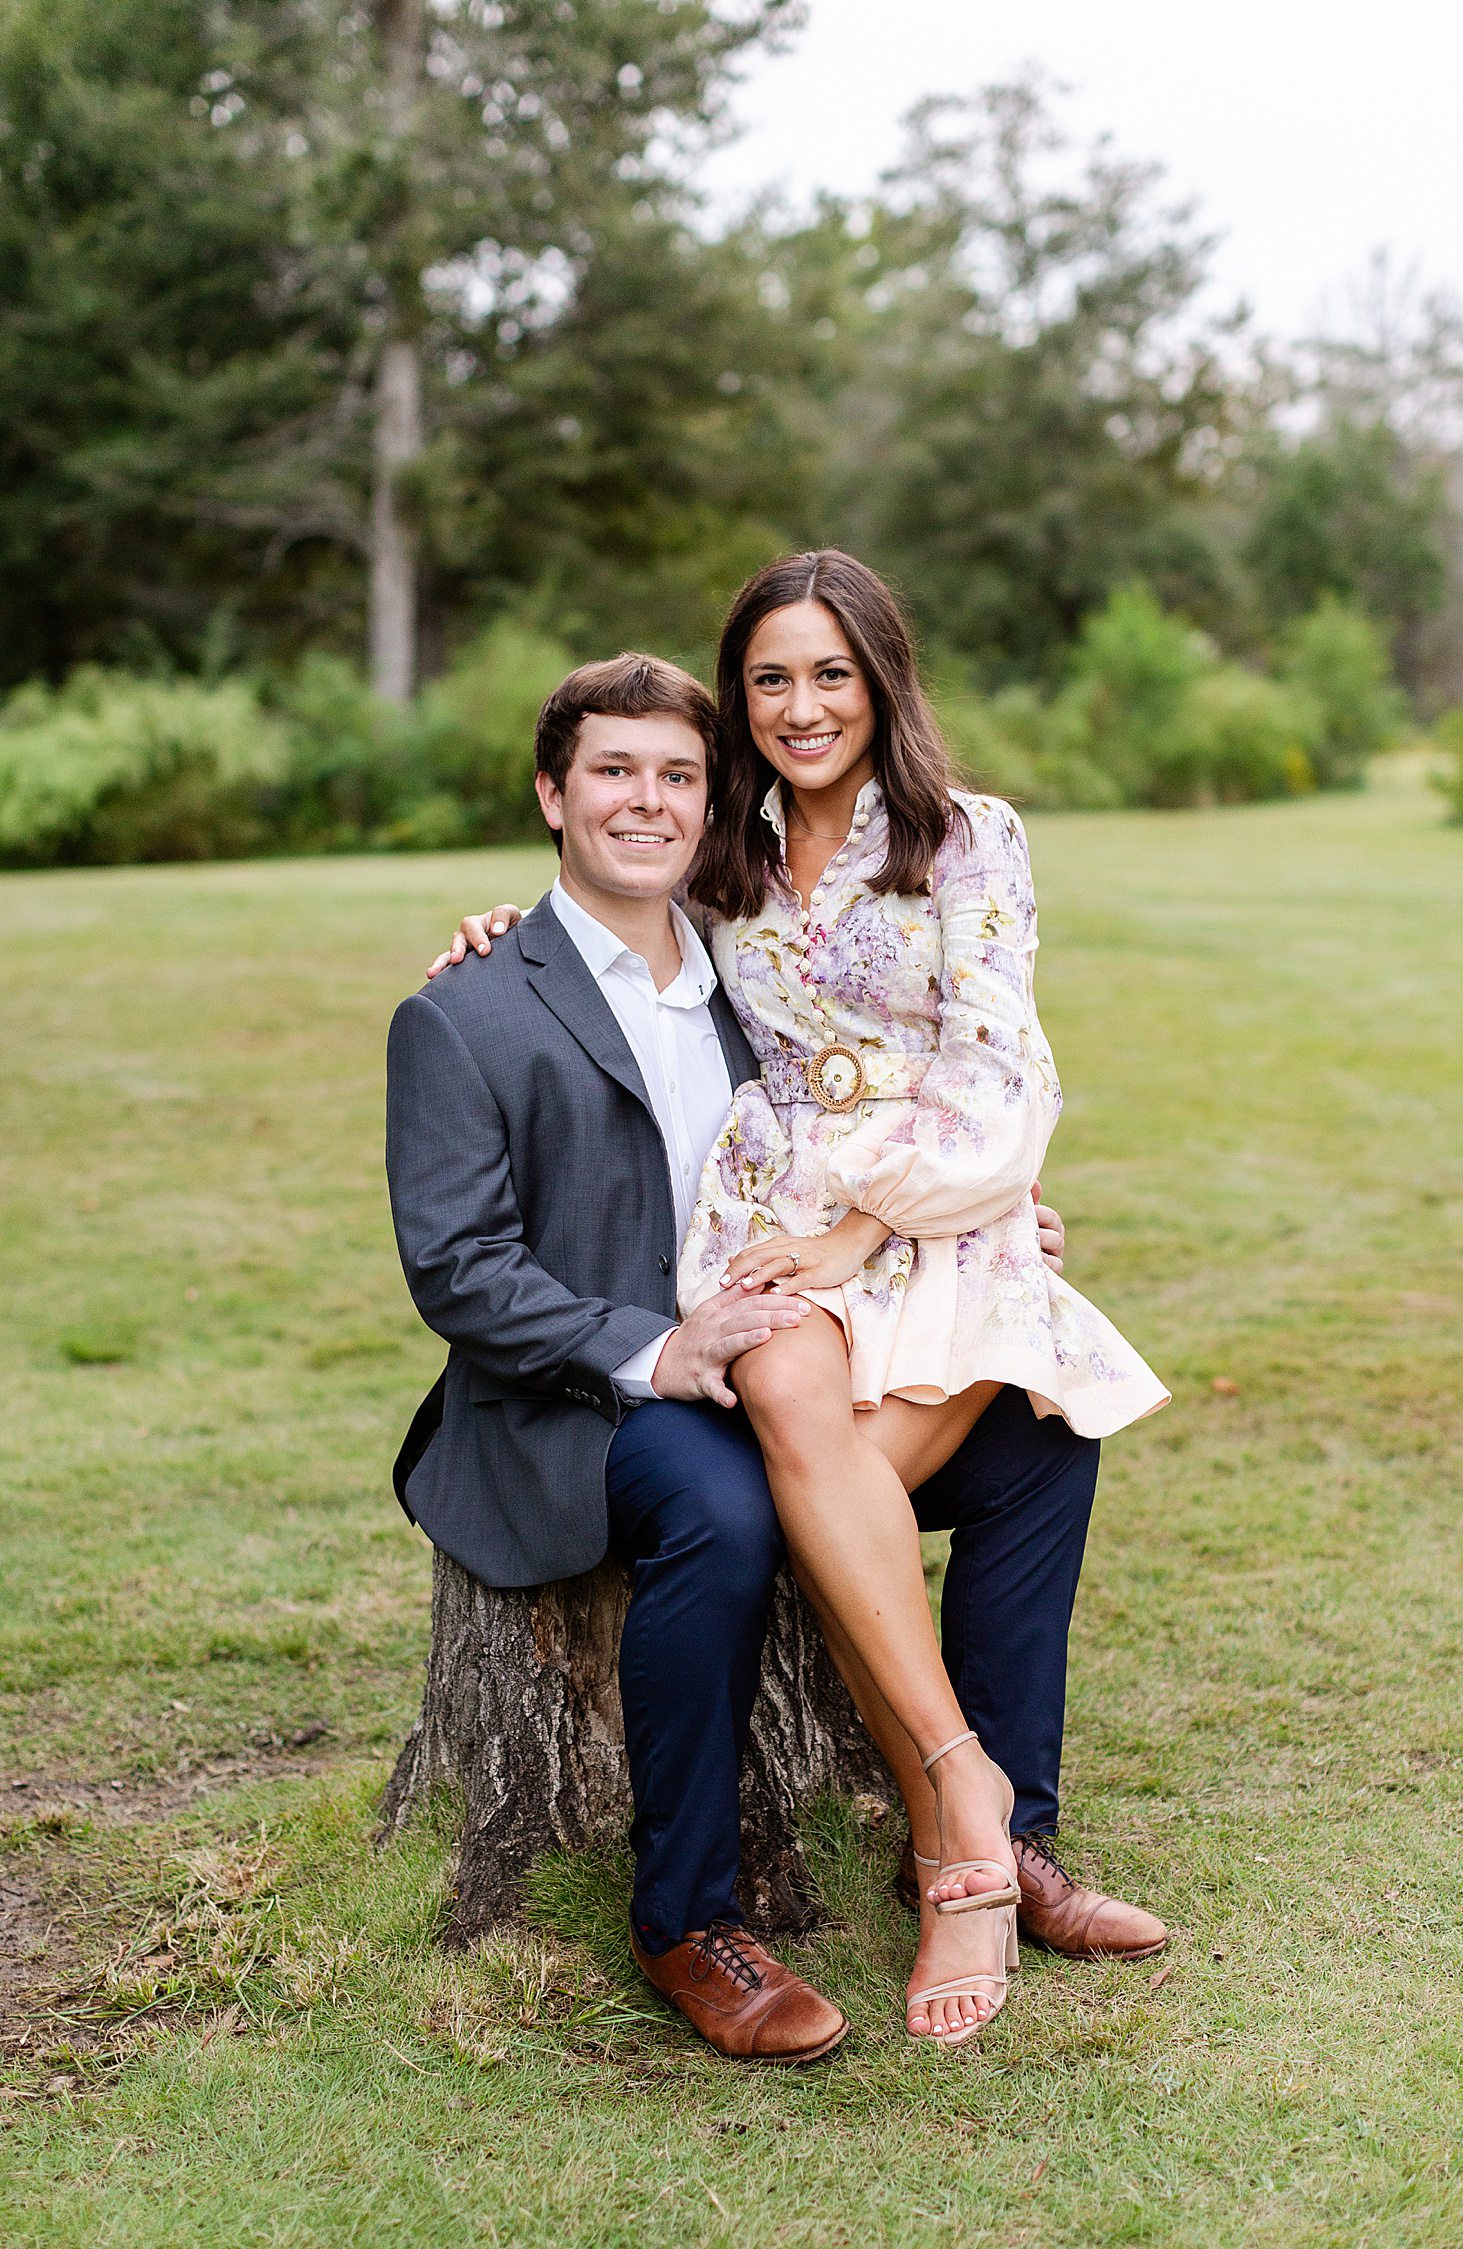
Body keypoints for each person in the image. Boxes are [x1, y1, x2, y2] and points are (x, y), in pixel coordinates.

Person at [407, 574, 1167, 2056]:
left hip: (878, 1237)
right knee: (767, 1479)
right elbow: (468, 1237)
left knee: (1039, 1446)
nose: (801, 708)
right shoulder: (623, 917)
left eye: (829, 675)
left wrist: (926, 1217)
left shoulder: (872, 863)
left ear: (881, 678)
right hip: (702, 1302)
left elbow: (978, 1067)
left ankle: (995, 1819)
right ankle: (845, 1863)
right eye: (768, 680)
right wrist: (503, 930)